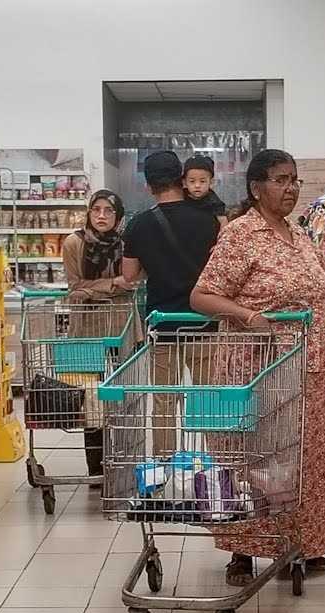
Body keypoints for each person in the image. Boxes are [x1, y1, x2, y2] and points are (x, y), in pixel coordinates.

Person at [190, 148, 325, 586]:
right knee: (250, 457)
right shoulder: (240, 235)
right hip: (255, 369)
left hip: (310, 370)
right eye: (279, 180)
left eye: (294, 180)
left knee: (303, 458)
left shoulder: (300, 235)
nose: (290, 189)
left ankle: (298, 544)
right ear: (256, 188)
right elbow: (202, 296)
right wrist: (249, 316)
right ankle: (242, 549)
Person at [122, 150, 221, 455]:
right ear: (182, 178)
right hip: (204, 322)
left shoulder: (138, 225)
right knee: (208, 397)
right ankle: (213, 462)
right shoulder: (209, 220)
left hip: (163, 325)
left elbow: (129, 276)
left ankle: (164, 466)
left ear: (148, 186)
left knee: (164, 398)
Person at [61, 189, 133, 482]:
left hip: (122, 327)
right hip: (86, 329)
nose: (102, 216)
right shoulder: (74, 243)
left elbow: (133, 281)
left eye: (109, 211)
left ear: (119, 217)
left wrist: (96, 287)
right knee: (90, 399)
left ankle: (126, 459)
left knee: (124, 397)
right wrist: (113, 283)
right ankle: (96, 468)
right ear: (88, 213)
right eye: (96, 210)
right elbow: (74, 288)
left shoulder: (128, 244)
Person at [183, 154, 228, 227]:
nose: (197, 185)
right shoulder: (181, 197)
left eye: (202, 181)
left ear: (211, 183)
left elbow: (223, 222)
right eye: (192, 181)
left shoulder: (214, 202)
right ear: (184, 183)